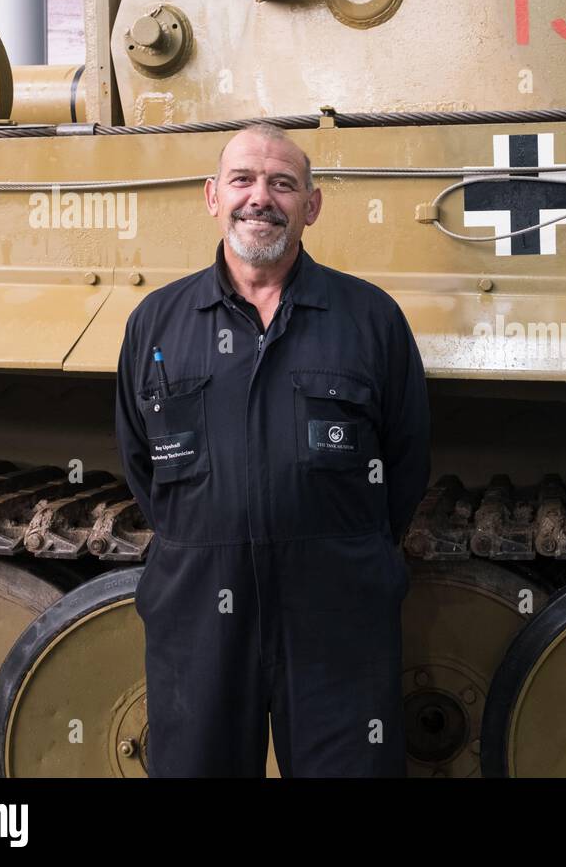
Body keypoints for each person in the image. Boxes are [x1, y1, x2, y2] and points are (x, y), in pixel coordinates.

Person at [115, 123, 430, 776]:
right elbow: (140, 461)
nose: (261, 198)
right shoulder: (158, 322)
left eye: (283, 184)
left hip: (336, 610)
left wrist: (343, 546)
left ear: (310, 206)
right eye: (243, 180)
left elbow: (406, 461)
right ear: (213, 196)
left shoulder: (369, 319)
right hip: (200, 610)